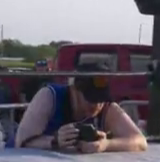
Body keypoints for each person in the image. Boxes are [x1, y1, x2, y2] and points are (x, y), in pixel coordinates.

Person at [14, 63, 147, 153]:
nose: (97, 105)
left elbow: (140, 141)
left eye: (101, 99)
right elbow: (21, 141)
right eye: (91, 98)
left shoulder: (107, 108)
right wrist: (54, 141)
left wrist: (106, 145)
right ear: (74, 90)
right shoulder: (49, 97)